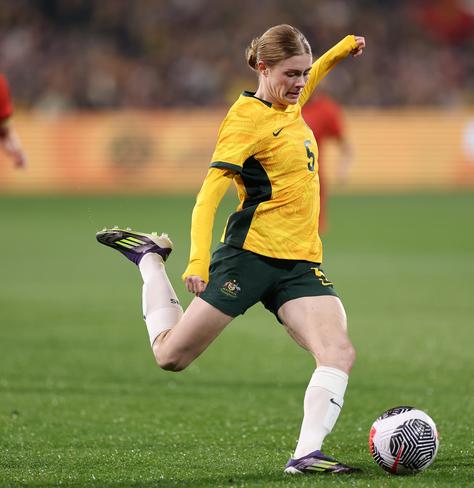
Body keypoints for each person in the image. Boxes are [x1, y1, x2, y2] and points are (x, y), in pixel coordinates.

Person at [97, 25, 365, 474]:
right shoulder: (244, 121)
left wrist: (342, 49)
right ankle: (148, 259)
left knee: (338, 352)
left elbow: (316, 71)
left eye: (304, 73)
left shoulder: (293, 99)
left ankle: (305, 456)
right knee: (171, 356)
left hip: (299, 263)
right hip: (249, 257)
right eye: (290, 74)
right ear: (263, 68)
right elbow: (208, 196)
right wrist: (198, 258)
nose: (301, 83)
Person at [301, 92, 353, 234]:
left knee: (311, 234)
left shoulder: (325, 109)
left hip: (312, 182)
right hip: (282, 183)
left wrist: (343, 168)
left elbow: (345, 145)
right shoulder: (281, 105)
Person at [0, 73, 27, 168]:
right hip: (4, 112)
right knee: (6, 135)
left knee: (5, 137)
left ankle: (19, 155)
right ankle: (19, 155)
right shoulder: (1, 79)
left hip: (3, 112)